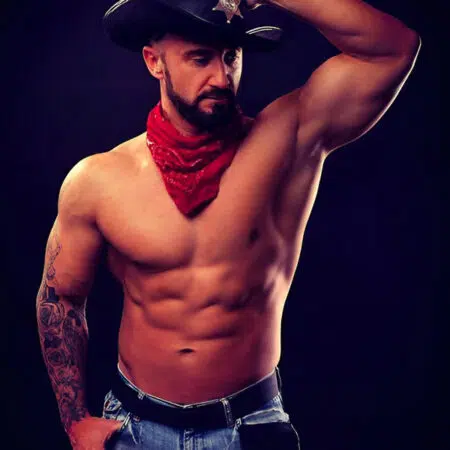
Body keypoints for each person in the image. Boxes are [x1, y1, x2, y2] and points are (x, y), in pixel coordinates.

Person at [36, 0, 420, 449]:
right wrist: (75, 420)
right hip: (135, 427)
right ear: (154, 62)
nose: (221, 78)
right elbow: (60, 299)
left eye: (231, 56)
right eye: (200, 58)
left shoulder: (287, 142)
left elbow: (393, 48)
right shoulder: (99, 180)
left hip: (249, 426)